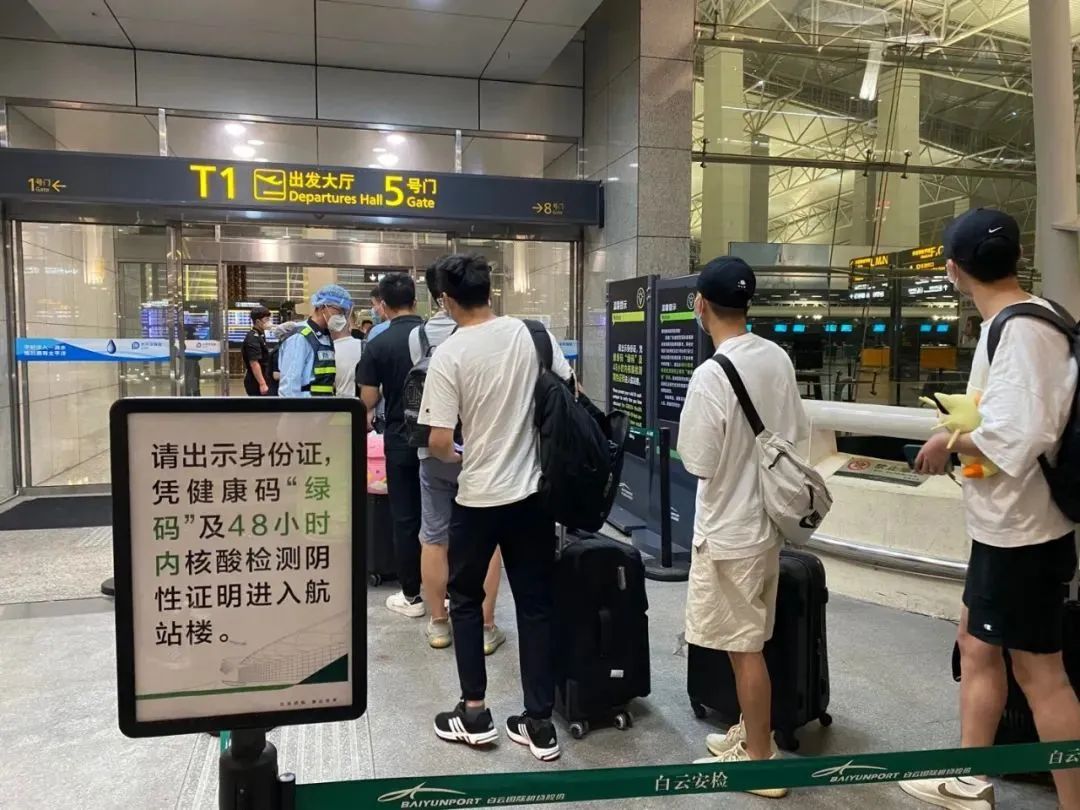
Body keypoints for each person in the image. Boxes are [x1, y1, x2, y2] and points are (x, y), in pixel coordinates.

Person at [901, 209, 1080, 810]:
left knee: (1042, 676)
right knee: (975, 646)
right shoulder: (1033, 317)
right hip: (1009, 527)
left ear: (953, 271)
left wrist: (946, 441)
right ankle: (969, 779)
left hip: (1024, 532)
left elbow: (1022, 434)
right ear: (1018, 257)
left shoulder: (1022, 330)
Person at [419, 253, 572, 763]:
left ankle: (474, 713)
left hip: (478, 497)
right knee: (535, 604)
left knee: (465, 600)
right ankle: (539, 723)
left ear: (446, 300)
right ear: (491, 291)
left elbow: (439, 441)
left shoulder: (449, 354)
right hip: (532, 496)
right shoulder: (534, 336)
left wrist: (464, 455)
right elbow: (569, 393)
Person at [682, 256, 807, 799]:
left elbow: (698, 461)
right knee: (751, 637)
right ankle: (750, 733)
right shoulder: (776, 357)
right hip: (767, 524)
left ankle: (760, 762)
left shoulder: (712, 374)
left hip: (728, 531)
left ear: (701, 305)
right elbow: (796, 430)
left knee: (743, 648)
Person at [409, 262, 505, 653]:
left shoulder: (418, 335)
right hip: (482, 451)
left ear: (441, 297)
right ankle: (485, 626)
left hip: (434, 450)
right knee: (488, 541)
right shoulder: (499, 334)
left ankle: (438, 624)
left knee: (434, 537)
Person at [358, 273, 425, 619]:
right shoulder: (435, 337)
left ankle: (412, 594)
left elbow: (368, 400)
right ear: (415, 300)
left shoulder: (378, 344)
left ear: (382, 306)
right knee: (441, 516)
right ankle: (445, 589)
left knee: (405, 518)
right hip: (441, 439)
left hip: (400, 439)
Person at [277, 285, 352, 398]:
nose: (342, 317)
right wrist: (292, 409)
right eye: (339, 311)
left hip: (322, 404)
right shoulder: (300, 338)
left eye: (344, 313)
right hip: (305, 406)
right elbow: (289, 386)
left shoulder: (325, 337)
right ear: (322, 307)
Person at [242, 306, 273, 397]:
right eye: (266, 319)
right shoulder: (253, 338)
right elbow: (254, 362)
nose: (269, 322)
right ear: (258, 322)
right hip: (255, 380)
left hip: (263, 376)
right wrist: (262, 384)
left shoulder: (260, 335)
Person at [333, 317, 364, 398]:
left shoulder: (330, 349)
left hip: (340, 400)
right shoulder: (365, 345)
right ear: (349, 327)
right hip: (363, 400)